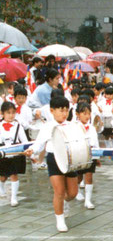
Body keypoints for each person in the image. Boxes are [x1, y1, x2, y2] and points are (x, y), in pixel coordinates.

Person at [24, 96, 78, 232]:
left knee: (72, 193)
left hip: (70, 160)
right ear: (52, 111)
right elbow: (39, 143)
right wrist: (32, 150)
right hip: (54, 159)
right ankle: (60, 219)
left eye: (66, 110)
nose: (64, 113)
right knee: (59, 191)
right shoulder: (47, 127)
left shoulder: (72, 125)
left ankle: (65, 202)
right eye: (61, 110)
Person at [0, 102, 28, 206]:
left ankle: (14, 198)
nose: (11, 115)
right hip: (2, 154)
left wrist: (29, 153)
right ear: (2, 113)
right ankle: (1, 187)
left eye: (13, 113)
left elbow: (24, 140)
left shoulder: (18, 126)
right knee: (3, 176)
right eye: (8, 113)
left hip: (15, 153)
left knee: (14, 174)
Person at [73, 102, 99, 210]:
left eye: (89, 113)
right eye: (84, 113)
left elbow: (96, 142)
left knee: (89, 176)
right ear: (77, 114)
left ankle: (88, 200)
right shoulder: (74, 127)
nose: (87, 116)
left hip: (90, 155)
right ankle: (77, 191)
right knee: (78, 176)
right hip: (79, 155)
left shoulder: (92, 128)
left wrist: (97, 157)